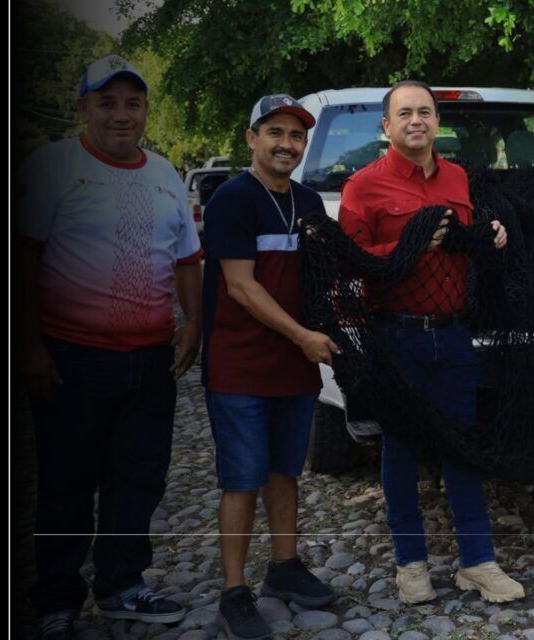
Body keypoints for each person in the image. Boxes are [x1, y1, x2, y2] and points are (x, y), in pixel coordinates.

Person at [15, 54, 203, 639]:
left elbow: (188, 259)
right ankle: (56, 600)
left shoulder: (166, 173)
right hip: (72, 357)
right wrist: (29, 348)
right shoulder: (50, 167)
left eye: (132, 103)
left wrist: (194, 323)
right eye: (107, 103)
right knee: (67, 481)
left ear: (145, 110)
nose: (122, 115)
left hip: (150, 359)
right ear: (83, 109)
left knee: (139, 478)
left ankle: (123, 585)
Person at [339, 80, 523, 604]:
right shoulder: (362, 187)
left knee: (462, 447)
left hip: (454, 336)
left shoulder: (459, 178)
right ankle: (411, 565)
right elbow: (354, 263)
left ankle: (478, 561)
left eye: (425, 112)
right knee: (399, 452)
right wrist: (410, 243)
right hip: (396, 337)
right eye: (405, 114)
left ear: (437, 124)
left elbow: (465, 247)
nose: (415, 120)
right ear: (387, 126)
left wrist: (492, 235)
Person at [202, 94, 338, 640]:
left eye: (296, 135)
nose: (286, 144)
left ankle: (284, 567)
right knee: (242, 479)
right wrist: (305, 335)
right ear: (252, 138)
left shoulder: (309, 202)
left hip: (294, 366)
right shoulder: (231, 199)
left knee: (286, 472)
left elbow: (324, 278)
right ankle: (235, 593)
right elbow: (240, 285)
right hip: (240, 365)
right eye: (275, 132)